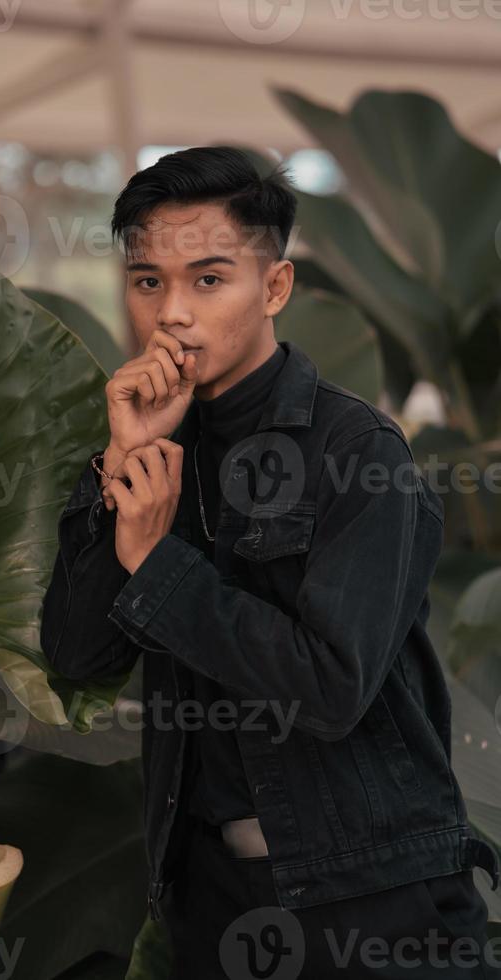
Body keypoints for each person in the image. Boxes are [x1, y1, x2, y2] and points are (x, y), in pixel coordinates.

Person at [40, 146, 500, 978]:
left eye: (208, 279)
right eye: (149, 282)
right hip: (210, 904)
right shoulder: (148, 442)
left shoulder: (358, 454)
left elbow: (330, 689)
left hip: (370, 908)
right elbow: (78, 656)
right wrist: (119, 465)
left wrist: (155, 566)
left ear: (275, 288)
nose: (172, 313)